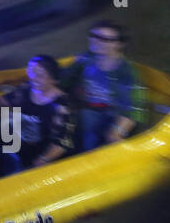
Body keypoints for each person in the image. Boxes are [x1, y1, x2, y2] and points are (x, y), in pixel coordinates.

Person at [61, 21, 147, 151]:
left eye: (105, 39)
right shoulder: (87, 58)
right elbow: (65, 79)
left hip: (108, 115)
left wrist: (117, 132)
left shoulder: (126, 73)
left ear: (119, 44)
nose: (96, 41)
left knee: (86, 126)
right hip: (83, 108)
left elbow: (134, 110)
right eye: (94, 36)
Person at [0, 55, 76, 171]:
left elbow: (62, 143)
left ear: (53, 79)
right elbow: (1, 102)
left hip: (44, 155)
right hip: (20, 147)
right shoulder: (26, 90)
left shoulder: (62, 106)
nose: (33, 78)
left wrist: (43, 159)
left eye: (40, 75)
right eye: (31, 72)